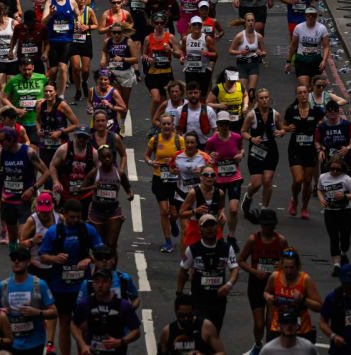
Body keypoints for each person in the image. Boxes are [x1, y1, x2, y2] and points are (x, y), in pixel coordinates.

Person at [39, 198, 105, 355]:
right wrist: (54, 259)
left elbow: (102, 254)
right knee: (64, 323)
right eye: (72, 217)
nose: (75, 220)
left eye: (78, 217)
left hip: (82, 285)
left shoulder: (88, 230)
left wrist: (89, 259)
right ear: (64, 215)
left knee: (84, 323)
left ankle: (84, 350)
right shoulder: (54, 232)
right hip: (60, 285)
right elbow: (42, 256)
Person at [0, 125, 51, 245]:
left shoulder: (28, 152)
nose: (0, 144)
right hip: (8, 201)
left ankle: (26, 260)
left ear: (12, 140)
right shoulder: (1, 153)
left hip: (24, 200)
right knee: (12, 237)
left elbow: (46, 172)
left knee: (22, 237)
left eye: (2, 141)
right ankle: (16, 261)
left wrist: (33, 188)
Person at [236, 208, 289, 350]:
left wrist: (282, 265)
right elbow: (240, 260)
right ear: (261, 224)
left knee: (271, 323)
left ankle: (269, 350)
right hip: (256, 284)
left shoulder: (281, 241)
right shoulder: (253, 240)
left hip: (274, 285)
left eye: (270, 225)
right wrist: (253, 271)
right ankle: (258, 345)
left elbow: (290, 262)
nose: (268, 228)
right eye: (265, 225)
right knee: (259, 324)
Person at [177, 213, 239, 330]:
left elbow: (234, 269)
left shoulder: (226, 248)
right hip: (198, 300)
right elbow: (182, 271)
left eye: (212, 225)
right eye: (206, 226)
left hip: (218, 300)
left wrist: (228, 285)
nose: (209, 228)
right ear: (200, 230)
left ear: (217, 227)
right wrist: (179, 294)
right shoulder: (192, 249)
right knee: (202, 331)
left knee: (214, 332)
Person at [0, 245, 58, 355]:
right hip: (10, 342)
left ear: (29, 262)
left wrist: (37, 312)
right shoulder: (2, 286)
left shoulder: (40, 285)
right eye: (13, 258)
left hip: (35, 344)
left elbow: (54, 312)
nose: (16, 261)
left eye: (21, 258)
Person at [71, 268, 141, 355]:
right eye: (97, 281)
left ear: (111, 283)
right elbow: (74, 324)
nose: (100, 285)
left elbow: (136, 331)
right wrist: (82, 345)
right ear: (93, 283)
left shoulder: (123, 305)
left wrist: (120, 341)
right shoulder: (85, 303)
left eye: (104, 281)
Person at [76, 145, 134, 252]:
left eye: (109, 157)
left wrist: (131, 194)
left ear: (113, 158)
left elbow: (128, 187)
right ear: (100, 159)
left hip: (114, 211)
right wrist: (92, 187)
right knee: (98, 245)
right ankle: (99, 267)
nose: (107, 159)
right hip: (96, 212)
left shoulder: (119, 173)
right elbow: (80, 189)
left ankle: (111, 266)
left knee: (111, 244)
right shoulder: (95, 173)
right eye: (104, 157)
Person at [264, 247, 322, 346]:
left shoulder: (305, 280)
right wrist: (268, 296)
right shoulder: (274, 277)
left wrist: (303, 299)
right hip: (278, 327)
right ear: (281, 265)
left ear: (297, 266)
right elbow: (266, 292)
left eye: (292, 268)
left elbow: (319, 306)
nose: (289, 271)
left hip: (300, 330)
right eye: (286, 267)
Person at [203, 111, 244, 244]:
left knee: (233, 210)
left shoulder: (237, 137)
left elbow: (241, 150)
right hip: (218, 180)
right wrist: (211, 158)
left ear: (229, 124)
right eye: (221, 124)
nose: (224, 126)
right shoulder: (212, 140)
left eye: (226, 123)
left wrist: (241, 155)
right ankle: (219, 237)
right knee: (218, 212)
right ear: (218, 125)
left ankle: (231, 237)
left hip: (234, 178)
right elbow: (205, 157)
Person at [241, 88, 282, 222]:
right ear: (258, 100)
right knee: (257, 183)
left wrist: (280, 133)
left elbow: (282, 129)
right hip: (256, 150)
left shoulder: (275, 114)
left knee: (268, 180)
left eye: (266, 97)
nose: (264, 100)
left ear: (269, 99)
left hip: (270, 150)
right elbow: (243, 131)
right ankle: (249, 196)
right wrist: (251, 139)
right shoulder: (251, 115)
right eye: (261, 98)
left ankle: (264, 209)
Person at [146, 115, 185, 252]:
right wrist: (151, 162)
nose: (167, 126)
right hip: (159, 178)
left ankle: (173, 222)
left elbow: (185, 158)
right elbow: (146, 156)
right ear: (160, 126)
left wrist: (175, 163)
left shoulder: (180, 141)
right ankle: (167, 241)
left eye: (169, 124)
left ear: (173, 125)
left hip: (175, 180)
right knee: (164, 211)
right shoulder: (155, 140)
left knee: (174, 213)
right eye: (164, 124)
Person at [283, 86, 322, 219]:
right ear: (297, 95)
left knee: (307, 181)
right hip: (295, 149)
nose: (303, 95)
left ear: (308, 94)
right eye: (300, 93)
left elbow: (322, 124)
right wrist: (288, 128)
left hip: (310, 150)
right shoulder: (291, 110)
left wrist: (319, 130)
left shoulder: (315, 111)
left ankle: (304, 207)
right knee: (298, 179)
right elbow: (283, 125)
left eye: (305, 92)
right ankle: (294, 199)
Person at [317, 158, 351, 275]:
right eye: (332, 169)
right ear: (328, 168)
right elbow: (319, 189)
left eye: (338, 169)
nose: (335, 171)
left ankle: (343, 253)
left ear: (342, 169)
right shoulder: (323, 177)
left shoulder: (346, 179)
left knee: (345, 238)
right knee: (334, 238)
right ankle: (336, 265)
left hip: (345, 212)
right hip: (330, 212)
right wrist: (321, 199)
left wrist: (344, 197)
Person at [157, 293, 227, 355]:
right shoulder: (167, 331)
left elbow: (222, 353)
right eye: (182, 316)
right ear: (176, 311)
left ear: (194, 311)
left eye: (189, 315)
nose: (186, 319)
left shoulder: (206, 327)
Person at [286, 8, 329, 90]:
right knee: (305, 87)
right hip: (301, 60)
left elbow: (326, 46)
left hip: (315, 61)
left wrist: (323, 61)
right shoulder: (298, 27)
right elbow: (293, 45)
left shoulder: (322, 28)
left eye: (313, 15)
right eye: (308, 15)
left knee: (314, 88)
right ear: (305, 16)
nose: (310, 17)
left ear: (316, 16)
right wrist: (288, 61)